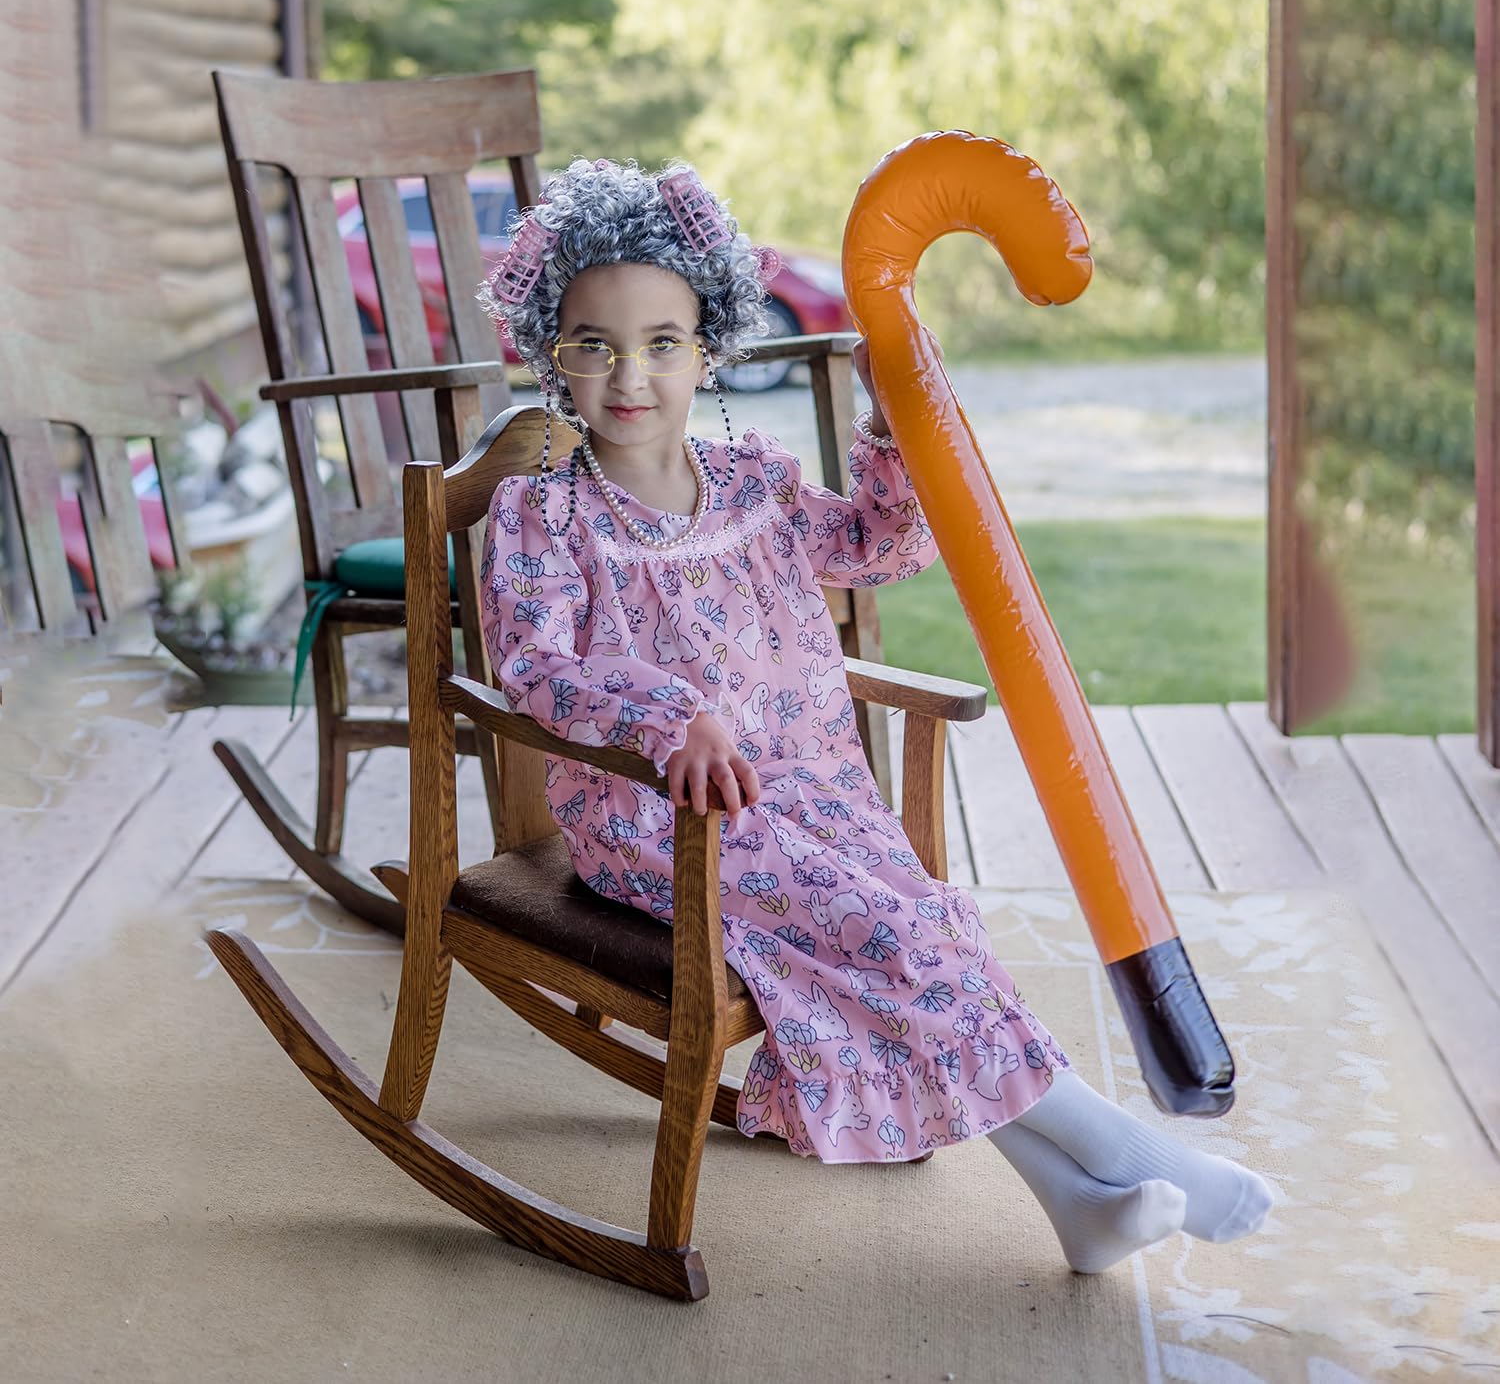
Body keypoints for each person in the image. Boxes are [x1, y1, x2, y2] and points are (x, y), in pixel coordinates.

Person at [476, 156, 1273, 1274]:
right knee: (898, 937)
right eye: (593, 344)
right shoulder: (544, 516)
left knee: (930, 936)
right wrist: (671, 716)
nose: (630, 374)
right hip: (666, 820)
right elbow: (536, 666)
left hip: (811, 796)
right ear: (552, 355)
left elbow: (880, 548)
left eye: (663, 341)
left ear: (710, 347)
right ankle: (1137, 1152)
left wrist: (891, 423)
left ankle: (1079, 1205)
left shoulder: (754, 481)